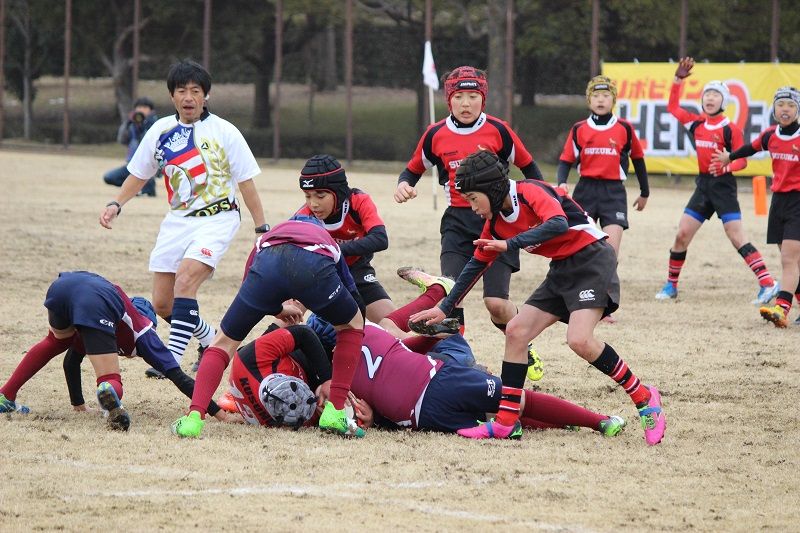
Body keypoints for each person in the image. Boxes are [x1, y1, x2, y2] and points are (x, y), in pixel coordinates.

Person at [410, 150, 666, 445]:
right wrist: (445, 307)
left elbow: (557, 223)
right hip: (561, 269)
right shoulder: (496, 222)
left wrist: (510, 244)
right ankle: (505, 423)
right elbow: (476, 264)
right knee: (516, 331)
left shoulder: (529, 191)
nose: (472, 207)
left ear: (491, 189)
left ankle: (645, 398)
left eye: (473, 198)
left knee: (579, 340)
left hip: (592, 259)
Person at [224, 273, 626, 439]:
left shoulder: (335, 361)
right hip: (428, 395)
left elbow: (401, 346)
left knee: (506, 405)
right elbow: (399, 353)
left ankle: (591, 422)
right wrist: (369, 417)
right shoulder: (335, 376)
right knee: (512, 404)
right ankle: (595, 421)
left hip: (425, 401)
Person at [98, 60, 267, 378]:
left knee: (186, 280)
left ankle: (171, 360)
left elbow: (246, 182)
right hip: (178, 220)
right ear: (172, 96)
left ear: (206, 96)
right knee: (164, 303)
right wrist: (116, 203)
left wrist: (262, 228)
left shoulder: (225, 131)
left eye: (195, 91)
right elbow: (139, 174)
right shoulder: (160, 131)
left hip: (218, 217)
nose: (189, 97)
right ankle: (210, 340)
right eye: (181, 91)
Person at [394, 65, 544, 381]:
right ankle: (459, 363)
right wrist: (403, 185)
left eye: (473, 96)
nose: (465, 103)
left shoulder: (499, 130)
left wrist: (535, 209)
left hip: (498, 224)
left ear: (483, 99)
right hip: (457, 225)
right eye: (459, 96)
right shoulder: (435, 134)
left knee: (496, 304)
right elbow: (412, 170)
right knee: (450, 295)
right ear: (449, 100)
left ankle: (523, 342)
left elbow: (531, 170)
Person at [171, 215, 366, 439]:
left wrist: (276, 308)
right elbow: (352, 293)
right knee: (352, 325)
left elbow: (248, 281)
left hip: (268, 264)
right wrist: (355, 329)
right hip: (313, 263)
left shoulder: (268, 237)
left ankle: (194, 417)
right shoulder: (326, 239)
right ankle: (336, 411)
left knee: (222, 343)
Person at [0, 271, 229, 430]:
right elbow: (180, 377)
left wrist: (78, 405)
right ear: (151, 322)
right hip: (95, 297)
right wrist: (219, 413)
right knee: (109, 379)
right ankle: (109, 393)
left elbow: (71, 362)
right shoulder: (144, 334)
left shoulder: (89, 326)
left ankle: (5, 395)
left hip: (62, 287)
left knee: (55, 342)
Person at [654, 58, 779, 304]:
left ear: (724, 102)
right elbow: (673, 108)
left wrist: (727, 165)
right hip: (703, 186)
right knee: (682, 234)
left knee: (736, 236)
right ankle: (671, 286)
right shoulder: (696, 123)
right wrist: (678, 81)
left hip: (723, 187)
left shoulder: (731, 129)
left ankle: (767, 283)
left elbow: (742, 162)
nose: (710, 98)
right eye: (707, 94)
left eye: (715, 95)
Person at [714, 86, 800, 327]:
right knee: (793, 261)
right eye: (780, 105)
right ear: (774, 109)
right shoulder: (770, 135)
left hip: (798, 201)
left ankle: (781, 308)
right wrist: (729, 157)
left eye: (791, 105)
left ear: (798, 110)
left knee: (788, 259)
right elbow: (750, 148)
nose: (785, 109)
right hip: (779, 201)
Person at [296, 154, 396, 323]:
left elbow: (380, 239)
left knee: (393, 323)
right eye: (307, 196)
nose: (313, 204)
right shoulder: (304, 216)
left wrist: (334, 250)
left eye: (320, 196)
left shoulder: (358, 202)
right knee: (289, 314)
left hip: (356, 271)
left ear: (338, 192)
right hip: (320, 271)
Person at [557, 75, 649, 258]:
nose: (600, 100)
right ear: (589, 100)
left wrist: (644, 192)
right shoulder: (579, 128)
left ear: (613, 100)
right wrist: (562, 182)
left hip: (613, 193)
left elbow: (638, 160)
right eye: (596, 96)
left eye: (606, 96)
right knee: (579, 250)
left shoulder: (624, 128)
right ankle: (582, 277)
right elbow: (566, 160)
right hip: (585, 191)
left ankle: (608, 278)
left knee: (610, 252)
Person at [103, 97, 159, 197]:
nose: (141, 110)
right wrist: (128, 123)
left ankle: (146, 188)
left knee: (146, 174)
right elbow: (122, 140)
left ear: (151, 110)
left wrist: (145, 124)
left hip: (149, 163)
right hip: (132, 163)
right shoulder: (132, 123)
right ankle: (134, 188)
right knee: (109, 177)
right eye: (139, 107)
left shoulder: (156, 124)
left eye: (144, 107)